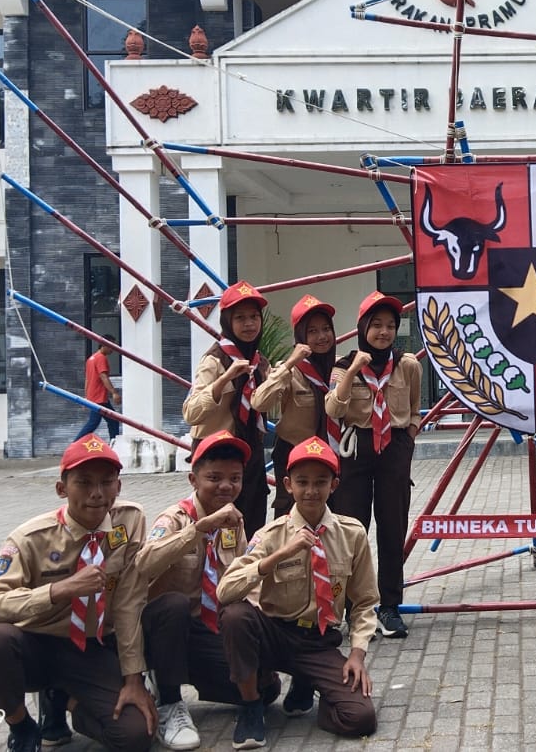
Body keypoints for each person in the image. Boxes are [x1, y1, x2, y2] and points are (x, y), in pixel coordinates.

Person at [0, 436, 155, 752]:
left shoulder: (130, 519)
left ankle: (62, 700)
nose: (97, 493)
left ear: (119, 486)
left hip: (93, 646)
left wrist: (133, 680)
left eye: (106, 482)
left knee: (135, 736)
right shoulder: (30, 538)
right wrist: (59, 590)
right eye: (84, 482)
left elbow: (128, 603)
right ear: (61, 489)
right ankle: (22, 725)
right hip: (38, 645)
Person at [217, 436, 379, 748]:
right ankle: (251, 706)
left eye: (320, 482)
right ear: (288, 485)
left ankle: (309, 683)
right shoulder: (271, 535)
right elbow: (225, 591)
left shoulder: (352, 534)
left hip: (318, 640)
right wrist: (278, 556)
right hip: (274, 633)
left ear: (334, 485)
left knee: (360, 718)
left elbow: (365, 602)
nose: (311, 491)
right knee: (236, 616)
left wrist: (358, 654)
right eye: (302, 482)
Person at [136, 430, 281, 750]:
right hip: (167, 630)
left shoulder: (234, 521)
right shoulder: (174, 519)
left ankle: (178, 674)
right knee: (174, 605)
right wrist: (199, 529)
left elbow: (243, 578)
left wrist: (258, 636)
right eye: (214, 478)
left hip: (207, 631)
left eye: (235, 478)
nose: (226, 486)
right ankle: (169, 700)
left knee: (265, 689)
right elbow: (143, 564)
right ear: (193, 479)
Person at [325, 290, 421, 639]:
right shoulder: (342, 366)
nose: (383, 332)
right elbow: (333, 409)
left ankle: (390, 607)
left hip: (394, 448)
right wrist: (354, 369)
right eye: (376, 325)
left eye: (390, 326)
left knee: (393, 529)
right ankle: (354, 609)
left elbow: (414, 408)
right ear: (363, 327)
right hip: (356, 450)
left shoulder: (407, 365)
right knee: (352, 530)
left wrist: (408, 438)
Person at [184, 280, 272, 534]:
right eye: (240, 318)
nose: (249, 324)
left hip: (251, 455)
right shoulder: (214, 360)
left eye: (254, 317)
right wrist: (225, 379)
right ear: (227, 321)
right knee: (217, 530)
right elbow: (191, 413)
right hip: (216, 457)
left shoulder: (261, 363)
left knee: (252, 525)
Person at [253, 294, 343, 517]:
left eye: (326, 329)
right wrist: (291, 362)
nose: (322, 336)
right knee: (290, 520)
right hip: (294, 455)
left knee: (335, 519)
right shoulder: (289, 370)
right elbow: (260, 403)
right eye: (312, 331)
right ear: (301, 336)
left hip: (336, 456)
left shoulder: (343, 367)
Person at [73, 338, 122, 441]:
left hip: (97, 397)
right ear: (104, 345)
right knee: (93, 423)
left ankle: (114, 443)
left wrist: (86, 396)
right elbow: (103, 376)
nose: (113, 349)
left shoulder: (91, 359)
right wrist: (114, 393)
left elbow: (87, 379)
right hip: (98, 398)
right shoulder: (101, 358)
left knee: (113, 420)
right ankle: (75, 444)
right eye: (111, 346)